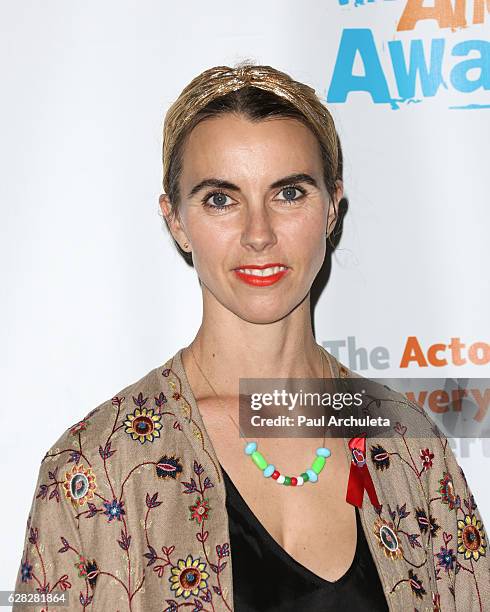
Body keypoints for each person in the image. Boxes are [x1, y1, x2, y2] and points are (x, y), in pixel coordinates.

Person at [14, 63, 489, 612]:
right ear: (175, 220)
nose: (259, 234)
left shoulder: (406, 445)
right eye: (221, 198)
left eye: (288, 193)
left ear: (333, 206)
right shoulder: (93, 468)